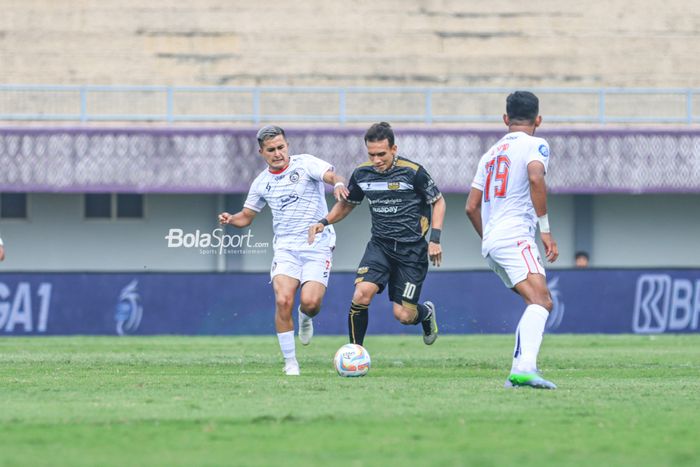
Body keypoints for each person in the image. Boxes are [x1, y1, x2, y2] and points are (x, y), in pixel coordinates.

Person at [218, 125, 349, 376]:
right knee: (282, 300)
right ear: (261, 152)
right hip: (286, 249)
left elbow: (330, 175)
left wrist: (339, 183)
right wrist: (230, 219)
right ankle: (290, 362)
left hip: (317, 244)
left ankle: (305, 316)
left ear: (287, 145)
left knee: (310, 303)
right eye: (271, 150)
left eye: (281, 147)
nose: (277, 153)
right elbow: (246, 217)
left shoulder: (305, 164)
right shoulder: (261, 183)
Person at [309, 122, 445, 347]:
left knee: (404, 315)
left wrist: (435, 240)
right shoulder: (362, 174)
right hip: (380, 246)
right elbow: (347, 205)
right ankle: (355, 353)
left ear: (394, 149)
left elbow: (438, 202)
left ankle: (426, 313)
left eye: (382, 154)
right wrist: (324, 222)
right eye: (372, 155)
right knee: (361, 294)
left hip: (411, 251)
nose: (377, 160)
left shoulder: (413, 172)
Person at [465, 91, 559, 389]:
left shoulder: (490, 154)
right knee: (543, 301)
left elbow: (470, 207)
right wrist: (544, 229)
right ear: (539, 120)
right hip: (516, 235)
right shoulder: (537, 144)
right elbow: (535, 178)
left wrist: (490, 238)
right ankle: (524, 368)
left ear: (505, 119)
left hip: (492, 241)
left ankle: (520, 372)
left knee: (536, 301)